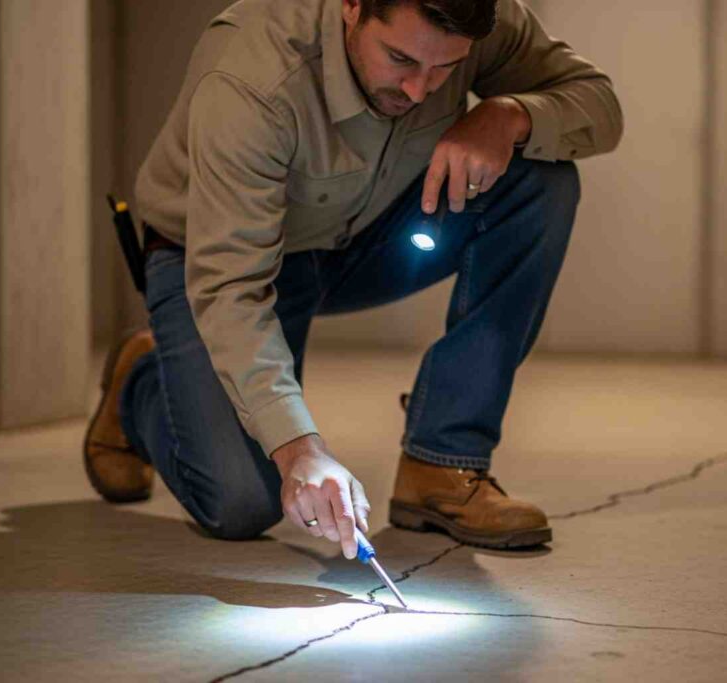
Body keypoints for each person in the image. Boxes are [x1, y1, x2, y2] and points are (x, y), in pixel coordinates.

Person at [83, 0, 622, 559]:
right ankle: (142, 381)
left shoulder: (483, 17)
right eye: (400, 58)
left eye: (444, 69)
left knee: (543, 182)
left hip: (368, 236)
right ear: (352, 6)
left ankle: (442, 462)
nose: (420, 90)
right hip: (220, 261)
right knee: (240, 502)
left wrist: (510, 114)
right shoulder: (251, 77)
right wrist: (299, 450)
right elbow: (231, 290)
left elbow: (601, 103)